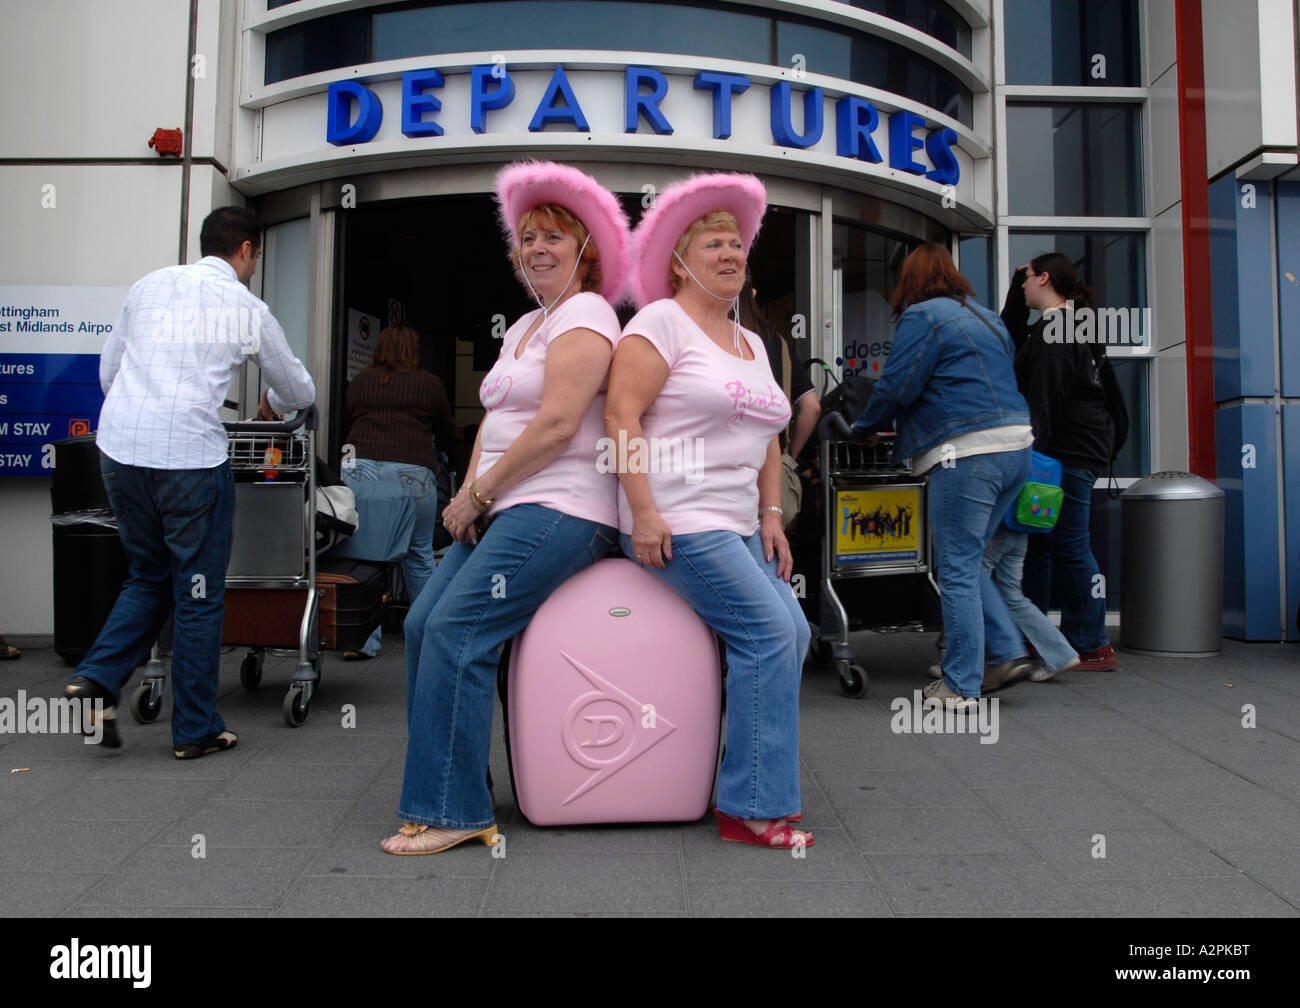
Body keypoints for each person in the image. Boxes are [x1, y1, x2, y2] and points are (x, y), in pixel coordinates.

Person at [381, 162, 630, 855]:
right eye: (527, 237)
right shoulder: (524, 325)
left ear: (585, 250)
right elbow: (492, 423)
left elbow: (555, 427)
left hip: (564, 507)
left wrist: (478, 496)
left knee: (460, 631)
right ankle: (452, 781)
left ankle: (456, 810)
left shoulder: (587, 314)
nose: (539, 247)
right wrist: (466, 495)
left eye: (554, 235)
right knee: (425, 624)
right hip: (502, 504)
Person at [605, 172, 812, 850]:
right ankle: (751, 805)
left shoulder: (752, 344)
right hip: (683, 519)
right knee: (769, 635)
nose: (731, 255)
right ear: (679, 262)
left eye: (738, 245)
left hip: (742, 524)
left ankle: (743, 783)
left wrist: (773, 514)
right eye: (715, 245)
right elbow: (621, 413)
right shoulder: (661, 322)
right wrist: (642, 512)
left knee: (796, 633)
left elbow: (771, 432)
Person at [66, 206, 316, 756]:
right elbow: (298, 390)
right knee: (198, 593)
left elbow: (109, 374)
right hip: (188, 459)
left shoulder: (148, 287)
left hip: (120, 451)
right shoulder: (246, 307)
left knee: (148, 576)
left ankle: (98, 678)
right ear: (247, 250)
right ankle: (195, 729)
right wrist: (273, 403)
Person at [850, 244, 1032, 709]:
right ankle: (1006, 653)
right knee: (970, 564)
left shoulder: (923, 316)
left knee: (955, 568)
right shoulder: (989, 317)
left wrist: (865, 427)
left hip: (964, 451)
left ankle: (960, 686)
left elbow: (897, 382)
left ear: (908, 281)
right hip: (1017, 448)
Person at [1001, 255, 1118, 671]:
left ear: (1045, 279)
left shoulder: (1054, 332)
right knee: (1047, 545)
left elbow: (1042, 405)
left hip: (1066, 453)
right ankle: (1046, 639)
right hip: (1075, 449)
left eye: (1027, 279)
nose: (1022, 286)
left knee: (1068, 545)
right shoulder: (1068, 325)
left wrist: (1028, 456)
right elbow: (1008, 334)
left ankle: (1092, 643)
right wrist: (1017, 291)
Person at [339, 324, 454, 660]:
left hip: (359, 467)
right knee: (418, 553)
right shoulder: (428, 384)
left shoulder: (360, 382)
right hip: (412, 469)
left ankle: (361, 640)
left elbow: (349, 419)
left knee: (362, 554)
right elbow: (446, 431)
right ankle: (427, 637)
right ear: (412, 351)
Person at [738, 279, 821, 459]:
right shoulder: (778, 343)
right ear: (752, 295)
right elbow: (812, 406)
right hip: (775, 460)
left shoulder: (716, 339)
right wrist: (790, 455)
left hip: (731, 462)